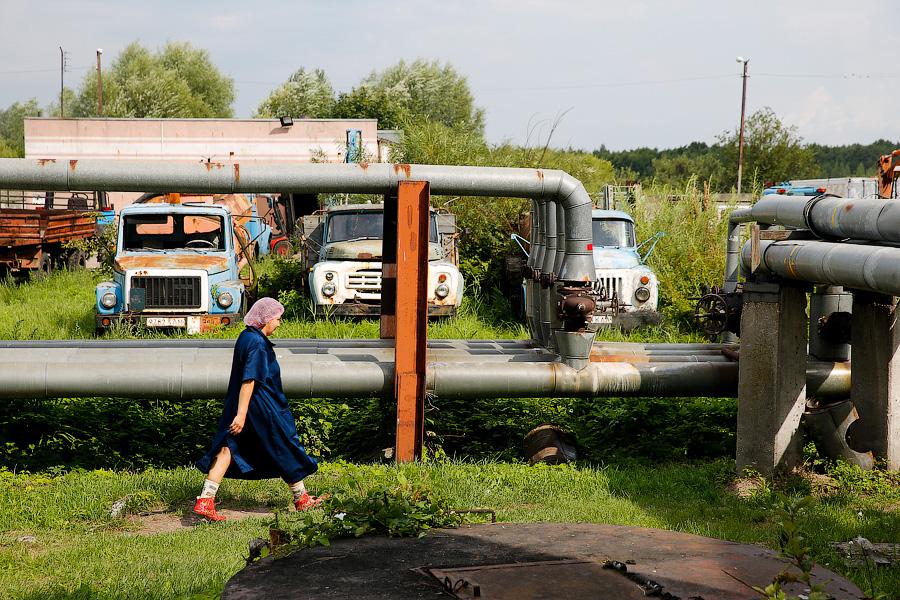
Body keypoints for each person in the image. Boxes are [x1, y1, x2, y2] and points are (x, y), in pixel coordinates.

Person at [193, 297, 321, 521]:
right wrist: (242, 415)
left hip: (240, 403)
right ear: (265, 319)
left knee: (228, 446)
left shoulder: (245, 337)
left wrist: (238, 411)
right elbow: (249, 380)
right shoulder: (258, 344)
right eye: (277, 319)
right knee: (282, 444)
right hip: (261, 406)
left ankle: (205, 500)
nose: (279, 324)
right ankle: (301, 498)